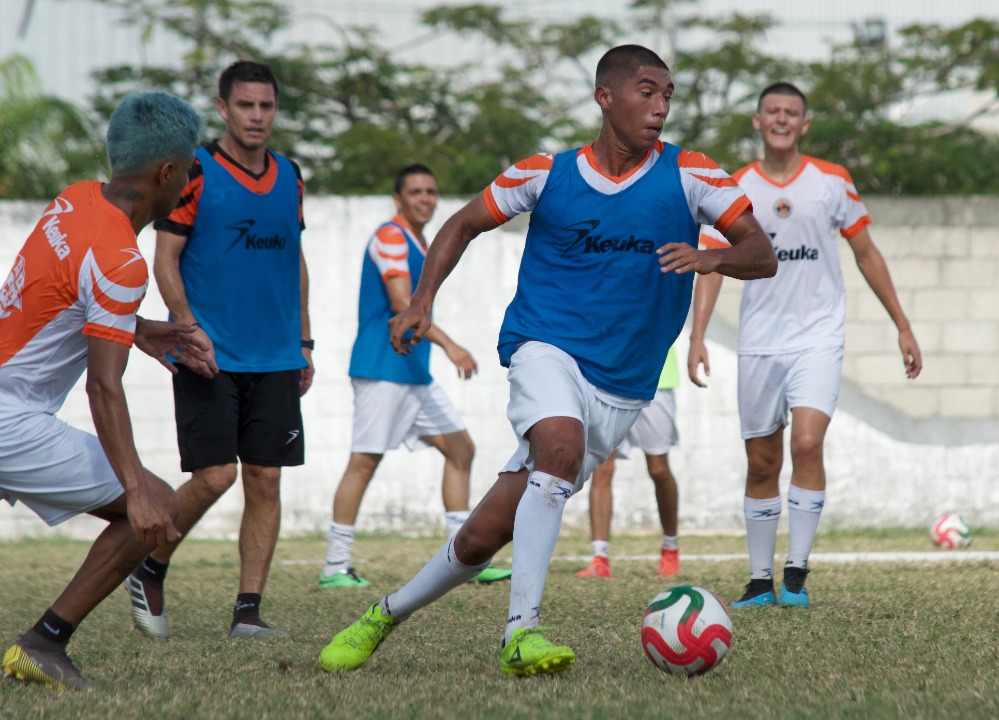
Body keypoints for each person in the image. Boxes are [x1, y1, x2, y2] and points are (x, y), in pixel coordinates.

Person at [318, 44, 776, 677]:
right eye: (647, 91)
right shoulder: (544, 172)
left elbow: (762, 251)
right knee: (558, 446)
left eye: (668, 94)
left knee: (483, 537)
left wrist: (714, 257)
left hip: (624, 387)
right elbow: (460, 225)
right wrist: (422, 301)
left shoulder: (693, 174)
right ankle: (520, 634)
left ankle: (382, 615)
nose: (662, 106)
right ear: (605, 97)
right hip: (545, 346)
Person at [0, 92, 212, 690]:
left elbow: (62, 292)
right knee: (159, 505)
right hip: (10, 421)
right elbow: (104, 386)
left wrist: (137, 329)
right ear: (166, 174)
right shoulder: (122, 261)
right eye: (190, 169)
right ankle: (44, 643)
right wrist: (139, 488)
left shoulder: (73, 200)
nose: (191, 181)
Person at [689, 82, 922, 610]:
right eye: (772, 111)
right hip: (760, 342)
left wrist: (902, 325)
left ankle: (795, 575)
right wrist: (699, 335)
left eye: (791, 113)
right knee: (762, 461)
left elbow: (866, 254)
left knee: (808, 444)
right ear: (757, 120)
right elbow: (711, 264)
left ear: (804, 124)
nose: (781, 120)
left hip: (818, 336)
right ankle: (758, 581)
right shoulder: (736, 185)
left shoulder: (832, 182)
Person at [126, 60, 312, 639]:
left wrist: (304, 339)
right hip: (208, 355)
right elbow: (166, 259)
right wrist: (186, 327)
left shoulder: (291, 175)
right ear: (224, 107)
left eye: (266, 106)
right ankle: (149, 566)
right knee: (214, 478)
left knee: (266, 479)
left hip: (277, 356)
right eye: (246, 105)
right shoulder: (196, 172)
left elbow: (294, 261)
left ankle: (248, 614)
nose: (257, 116)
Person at [321, 163, 510, 588]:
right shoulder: (390, 236)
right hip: (382, 370)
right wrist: (451, 345)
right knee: (364, 462)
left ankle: (462, 559)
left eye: (431, 191)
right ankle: (335, 567)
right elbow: (402, 300)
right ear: (398, 198)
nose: (425, 198)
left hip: (412, 374)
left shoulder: (420, 241)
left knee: (461, 449)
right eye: (416, 191)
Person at [575, 346, 682, 579]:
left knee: (659, 469)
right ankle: (600, 558)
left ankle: (670, 549)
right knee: (602, 467)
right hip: (608, 377)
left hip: (656, 378)